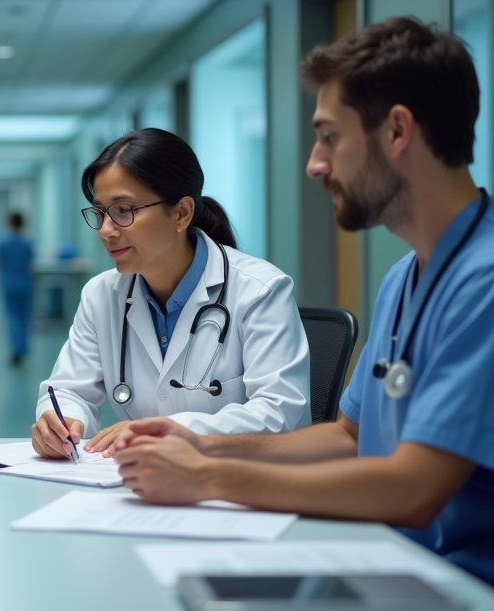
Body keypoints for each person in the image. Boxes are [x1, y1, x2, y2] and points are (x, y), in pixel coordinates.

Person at [109, 18, 494, 611]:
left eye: (328, 137)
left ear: (398, 130)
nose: (315, 165)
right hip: (400, 564)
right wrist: (202, 439)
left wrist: (208, 477)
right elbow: (351, 437)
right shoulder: (408, 276)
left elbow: (411, 489)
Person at [32, 128, 310, 460]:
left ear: (181, 213)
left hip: (240, 483)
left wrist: (174, 429)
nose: (106, 231)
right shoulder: (102, 295)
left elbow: (280, 414)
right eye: (101, 212)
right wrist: (63, 422)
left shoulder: (259, 290)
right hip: (147, 484)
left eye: (124, 210)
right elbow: (67, 389)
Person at [0, 212, 35, 364]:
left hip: (9, 284)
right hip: (25, 283)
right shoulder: (27, 241)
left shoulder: (2, 241)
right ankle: (24, 349)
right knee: (24, 318)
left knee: (13, 317)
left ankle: (16, 349)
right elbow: (31, 264)